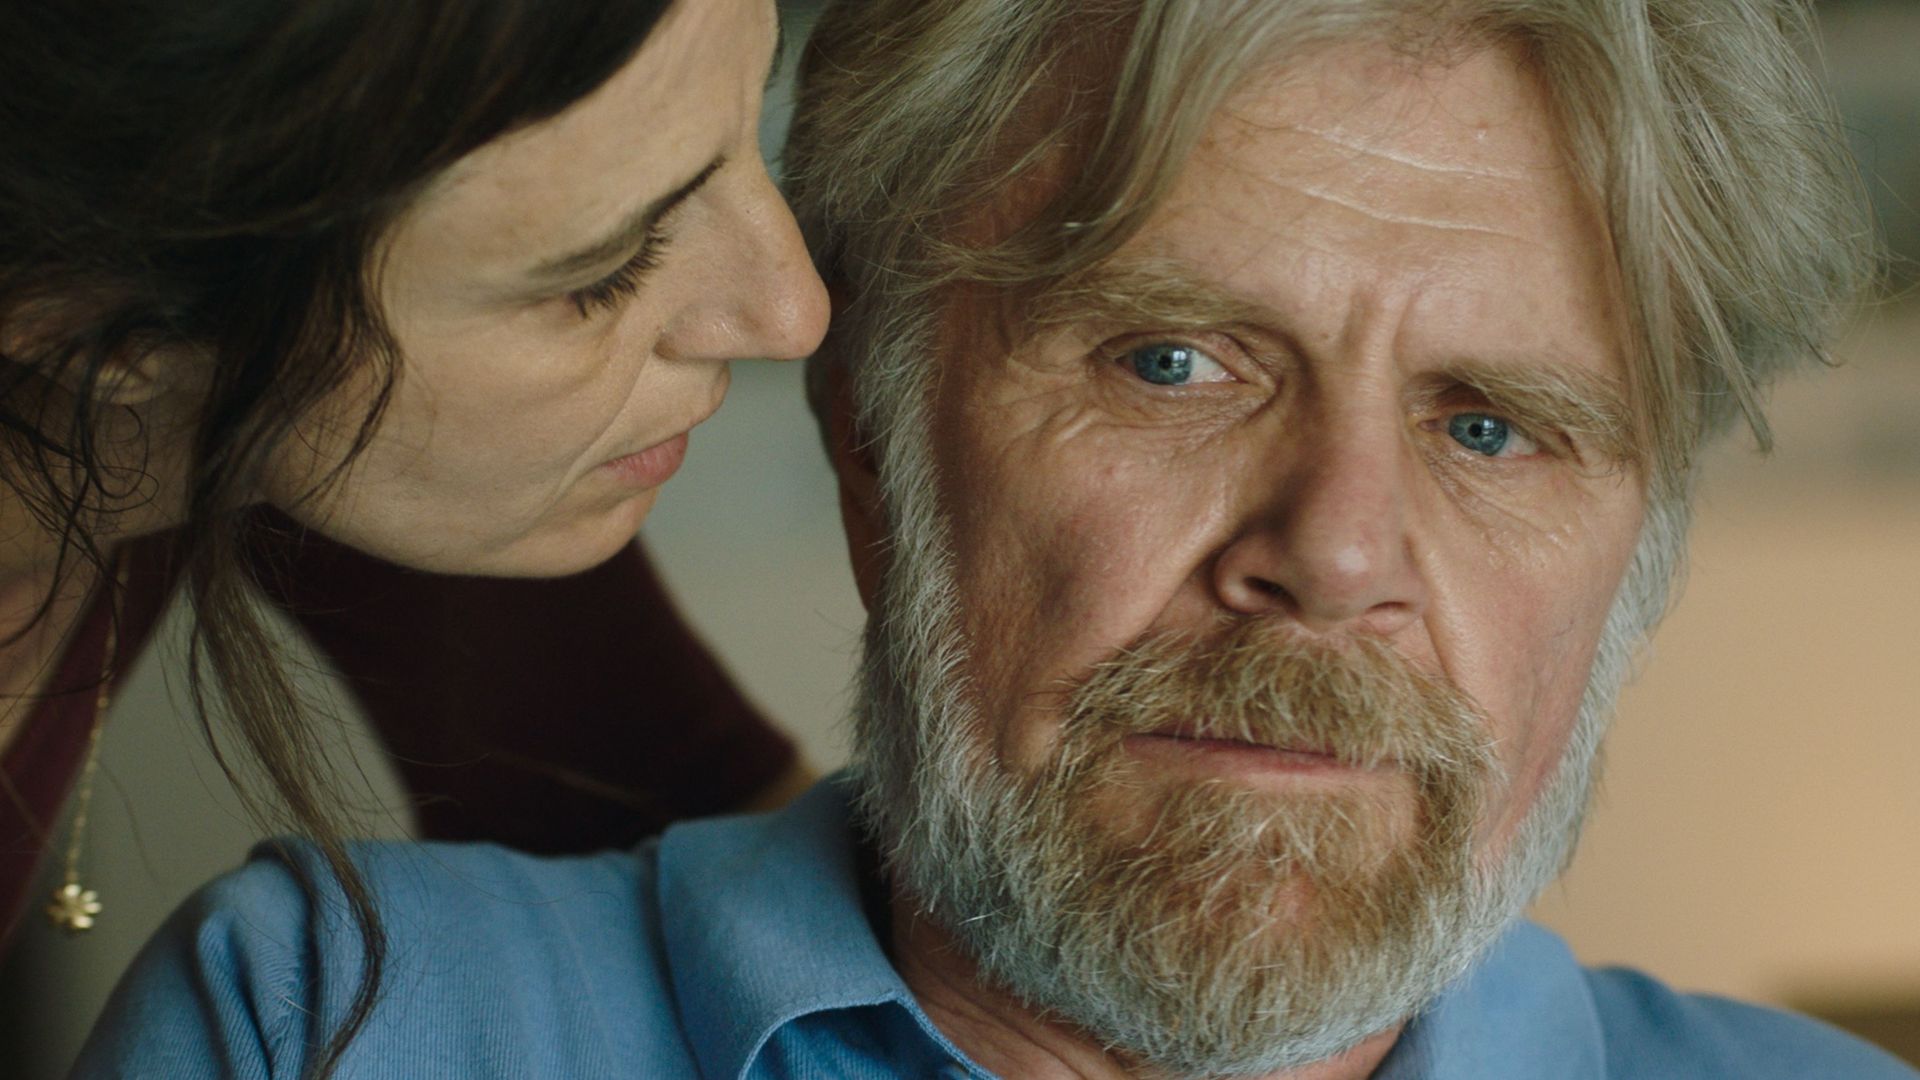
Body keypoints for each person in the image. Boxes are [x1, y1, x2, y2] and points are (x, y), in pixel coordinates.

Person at [71, 1, 1918, 1078]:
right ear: (868, 438)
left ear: (1642, 546)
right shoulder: (334, 1023)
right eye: (1173, 362)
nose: (1338, 554)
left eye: (1490, 424)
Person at [0, 0, 823, 1029]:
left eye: (753, 122)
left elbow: (694, 830)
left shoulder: (312, 419)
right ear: (83, 310)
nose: (793, 313)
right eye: (605, 266)